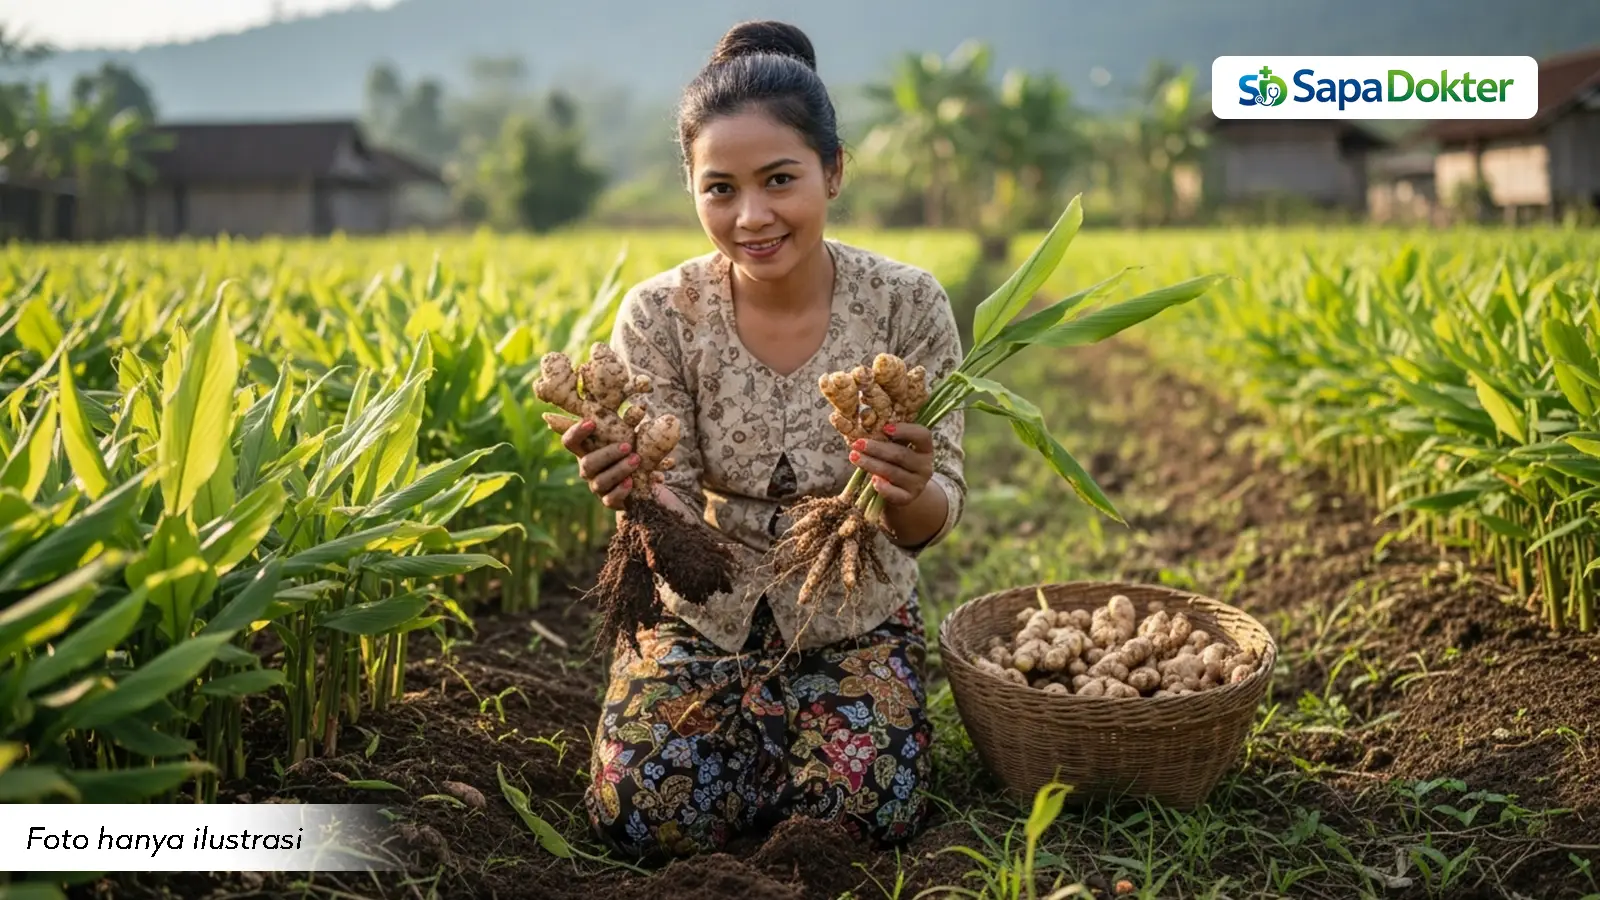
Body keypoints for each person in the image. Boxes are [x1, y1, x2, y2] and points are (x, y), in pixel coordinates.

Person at [561, 19, 967, 861]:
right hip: (705, 607)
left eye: (779, 179)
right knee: (641, 812)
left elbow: (930, 520)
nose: (752, 216)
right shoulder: (660, 313)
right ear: (692, 190)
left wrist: (906, 484)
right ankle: (754, 747)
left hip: (852, 609)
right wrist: (637, 489)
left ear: (833, 170)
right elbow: (668, 501)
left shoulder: (906, 306)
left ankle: (774, 753)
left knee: (868, 815)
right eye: (720, 189)